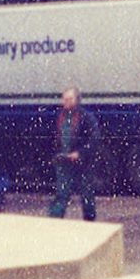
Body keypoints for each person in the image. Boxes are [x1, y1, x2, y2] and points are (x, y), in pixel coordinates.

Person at [47, 88, 100, 220]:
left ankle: (90, 223)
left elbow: (94, 140)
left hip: (82, 164)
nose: (66, 102)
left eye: (69, 99)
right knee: (61, 194)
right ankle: (54, 222)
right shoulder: (59, 117)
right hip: (63, 162)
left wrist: (80, 153)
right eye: (64, 99)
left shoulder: (86, 118)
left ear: (77, 100)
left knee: (87, 195)